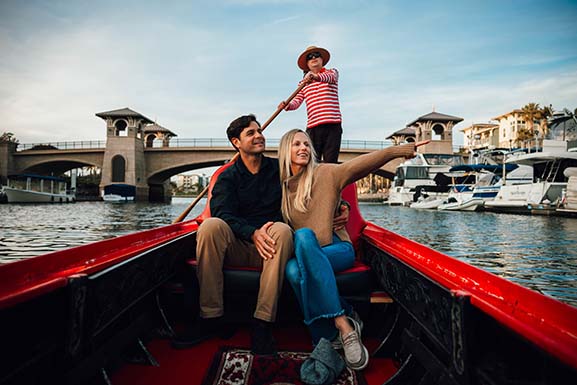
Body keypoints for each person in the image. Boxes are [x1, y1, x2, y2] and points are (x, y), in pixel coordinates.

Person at [171, 115, 349, 355]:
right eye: (250, 133)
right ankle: (210, 317)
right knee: (211, 226)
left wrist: (342, 204)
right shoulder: (227, 177)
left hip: (273, 248)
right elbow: (223, 213)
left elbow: (314, 182)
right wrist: (252, 233)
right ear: (236, 142)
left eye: (259, 131)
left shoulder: (280, 169)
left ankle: (263, 322)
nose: (259, 136)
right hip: (236, 246)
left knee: (283, 229)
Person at [278, 129, 422, 370]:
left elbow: (361, 165)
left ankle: (341, 327)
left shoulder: (326, 172)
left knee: (303, 237)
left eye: (306, 144)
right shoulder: (281, 187)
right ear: (285, 151)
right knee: (293, 270)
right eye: (296, 144)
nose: (303, 148)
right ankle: (334, 326)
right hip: (307, 255)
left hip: (338, 248)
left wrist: (397, 151)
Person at [278, 46, 342, 163]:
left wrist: (315, 77)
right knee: (312, 162)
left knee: (330, 162)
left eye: (316, 55)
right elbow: (297, 101)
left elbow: (330, 78)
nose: (313, 58)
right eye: (310, 57)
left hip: (332, 125)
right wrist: (287, 105)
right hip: (313, 127)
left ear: (322, 60)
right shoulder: (303, 83)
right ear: (307, 63)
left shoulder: (332, 72)